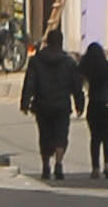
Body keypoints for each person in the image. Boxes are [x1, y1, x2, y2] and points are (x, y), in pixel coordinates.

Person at [19, 27, 81, 180]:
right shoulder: (69, 62)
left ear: (47, 42)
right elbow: (76, 85)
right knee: (61, 135)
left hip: (42, 104)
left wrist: (25, 102)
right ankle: (58, 164)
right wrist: (80, 103)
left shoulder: (36, 61)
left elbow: (30, 83)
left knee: (44, 135)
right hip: (62, 105)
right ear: (61, 42)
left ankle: (46, 165)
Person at [78, 39, 108, 178]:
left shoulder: (89, 70)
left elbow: (80, 82)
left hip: (94, 106)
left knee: (95, 138)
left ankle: (95, 168)